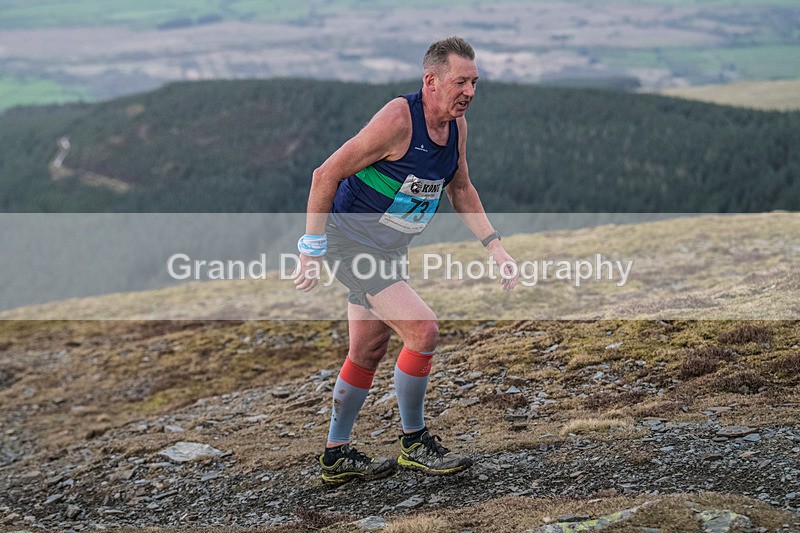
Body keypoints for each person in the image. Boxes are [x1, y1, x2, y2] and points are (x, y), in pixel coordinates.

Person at [293, 36, 518, 485]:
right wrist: (311, 249)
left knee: (368, 349)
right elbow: (325, 173)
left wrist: (494, 246)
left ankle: (335, 456)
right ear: (431, 81)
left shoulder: (456, 126)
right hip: (349, 242)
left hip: (390, 248)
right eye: (460, 82)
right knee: (423, 329)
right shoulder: (399, 119)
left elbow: (460, 187)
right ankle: (415, 442)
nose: (469, 92)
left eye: (474, 82)